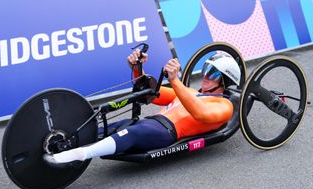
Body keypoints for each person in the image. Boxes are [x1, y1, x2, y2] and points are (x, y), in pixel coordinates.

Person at [44, 50, 241, 164]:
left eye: (213, 74)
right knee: (108, 126)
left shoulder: (224, 106)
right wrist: (137, 68)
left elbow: (201, 113)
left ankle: (81, 155)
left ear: (226, 81)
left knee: (135, 131)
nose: (206, 77)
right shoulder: (189, 91)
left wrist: (175, 81)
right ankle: (62, 144)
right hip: (152, 123)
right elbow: (149, 94)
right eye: (206, 71)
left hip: (166, 131)